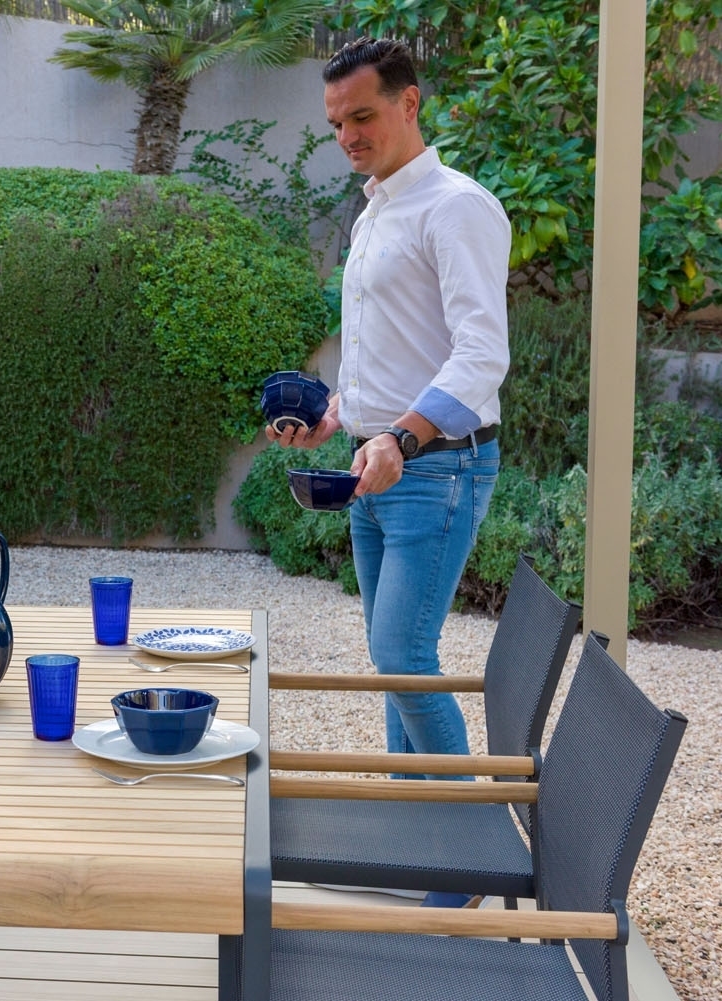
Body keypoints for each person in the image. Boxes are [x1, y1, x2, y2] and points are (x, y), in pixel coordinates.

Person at [270, 38, 511, 904]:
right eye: (336, 123)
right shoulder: (375, 211)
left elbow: (482, 353)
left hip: (436, 469)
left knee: (402, 651)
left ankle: (469, 861)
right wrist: (340, 414)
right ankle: (419, 844)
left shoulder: (458, 207)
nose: (348, 136)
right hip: (375, 464)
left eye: (363, 116)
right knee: (394, 660)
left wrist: (400, 439)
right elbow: (399, 347)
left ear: (411, 103)